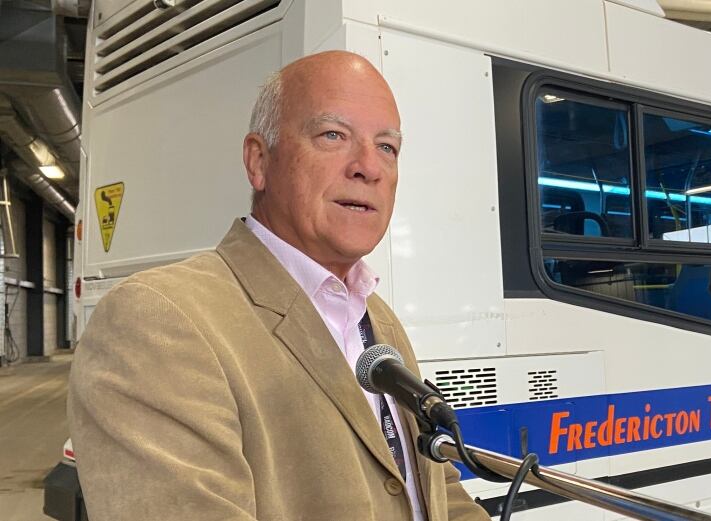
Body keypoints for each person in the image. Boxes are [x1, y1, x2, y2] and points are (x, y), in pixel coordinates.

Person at [68, 51, 490, 521]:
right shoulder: (157, 321)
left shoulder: (378, 319)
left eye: (387, 147)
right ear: (258, 161)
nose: (369, 167)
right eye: (334, 135)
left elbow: (432, 489)